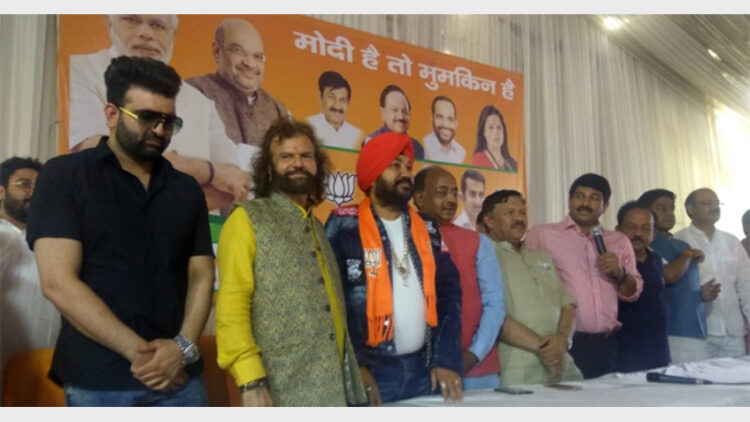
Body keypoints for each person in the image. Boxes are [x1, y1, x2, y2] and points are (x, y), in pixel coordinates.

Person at [27, 56, 215, 406]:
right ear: (112, 114)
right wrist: (142, 355)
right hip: (100, 381)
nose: (159, 130)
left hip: (181, 379)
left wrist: (182, 349)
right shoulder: (65, 176)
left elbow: (201, 274)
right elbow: (57, 282)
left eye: (168, 121)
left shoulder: (185, 189)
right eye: (146, 117)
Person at [214, 119, 366, 406]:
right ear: (270, 168)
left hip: (334, 387)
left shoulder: (318, 227)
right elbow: (232, 307)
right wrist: (250, 380)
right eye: (286, 156)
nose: (298, 163)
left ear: (317, 166)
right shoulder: (246, 219)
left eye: (306, 156)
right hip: (279, 387)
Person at [326, 132, 462, 404]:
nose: (405, 173)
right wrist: (357, 366)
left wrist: (444, 358)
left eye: (408, 166)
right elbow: (331, 303)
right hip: (373, 373)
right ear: (373, 173)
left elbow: (450, 295)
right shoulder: (343, 225)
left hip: (426, 370)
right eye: (395, 165)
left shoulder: (427, 227)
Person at [69, 14, 249, 211]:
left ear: (174, 36)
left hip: (187, 230)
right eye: (131, 20)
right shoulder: (80, 71)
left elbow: (234, 183)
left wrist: (149, 192)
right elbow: (104, 156)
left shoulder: (200, 102)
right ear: (109, 24)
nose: (146, 33)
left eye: (158, 25)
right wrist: (208, 172)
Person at [525, 173, 643, 379]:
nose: (585, 203)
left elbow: (632, 293)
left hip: (606, 344)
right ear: (569, 200)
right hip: (563, 342)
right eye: (579, 196)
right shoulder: (542, 234)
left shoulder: (619, 241)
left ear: (605, 206)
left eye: (594, 198)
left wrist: (620, 273)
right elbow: (526, 282)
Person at [413, 166, 505, 390]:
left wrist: (474, 354)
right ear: (419, 198)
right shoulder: (401, 238)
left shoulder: (477, 242)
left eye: (454, 193)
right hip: (416, 371)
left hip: (475, 369)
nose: (451, 200)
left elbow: (494, 304)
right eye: (441, 192)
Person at [481, 190, 582, 386]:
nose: (519, 218)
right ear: (489, 220)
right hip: (517, 369)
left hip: (563, 363)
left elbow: (567, 306)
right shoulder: (483, 257)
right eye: (509, 213)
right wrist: (544, 348)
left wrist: (562, 340)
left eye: (522, 212)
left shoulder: (541, 257)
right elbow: (490, 315)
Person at [187, 18, 290, 150]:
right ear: (217, 51)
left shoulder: (278, 110)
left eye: (257, 57)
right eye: (238, 51)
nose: (250, 64)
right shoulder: (192, 92)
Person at [637, 189, 715, 363]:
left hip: (696, 329)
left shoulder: (680, 244)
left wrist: (702, 293)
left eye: (671, 208)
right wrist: (687, 255)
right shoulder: (645, 245)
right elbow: (669, 276)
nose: (669, 213)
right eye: (661, 208)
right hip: (670, 331)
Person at [0, 157, 60, 381]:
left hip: (46, 366)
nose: (33, 193)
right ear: (1, 191)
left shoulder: (56, 239)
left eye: (39, 187)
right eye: (24, 184)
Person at [674, 188, 750, 358]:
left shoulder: (731, 241)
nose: (714, 207)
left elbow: (746, 286)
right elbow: (672, 289)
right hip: (697, 332)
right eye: (707, 203)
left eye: (716, 203)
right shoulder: (679, 240)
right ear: (690, 209)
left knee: (738, 375)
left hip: (733, 331)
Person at [614, 201, 671, 372]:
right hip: (624, 351)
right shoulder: (611, 262)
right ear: (618, 230)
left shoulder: (655, 259)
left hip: (657, 348)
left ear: (654, 233)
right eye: (631, 227)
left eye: (646, 229)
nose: (638, 234)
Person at [362, 85, 425, 159]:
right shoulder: (372, 141)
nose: (401, 116)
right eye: (394, 110)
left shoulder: (417, 147)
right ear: (383, 113)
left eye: (405, 111)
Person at [306, 70, 362, 150]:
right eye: (331, 97)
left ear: (348, 103)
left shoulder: (357, 135)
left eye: (342, 100)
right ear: (320, 97)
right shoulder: (307, 126)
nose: (337, 106)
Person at [471, 105, 517, 172]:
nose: (496, 132)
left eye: (499, 127)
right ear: (483, 132)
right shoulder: (479, 159)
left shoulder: (512, 164)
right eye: (491, 127)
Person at [422, 96, 465, 164]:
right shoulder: (423, 145)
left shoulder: (461, 152)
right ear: (432, 119)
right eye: (440, 117)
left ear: (456, 123)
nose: (445, 124)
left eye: (450, 119)